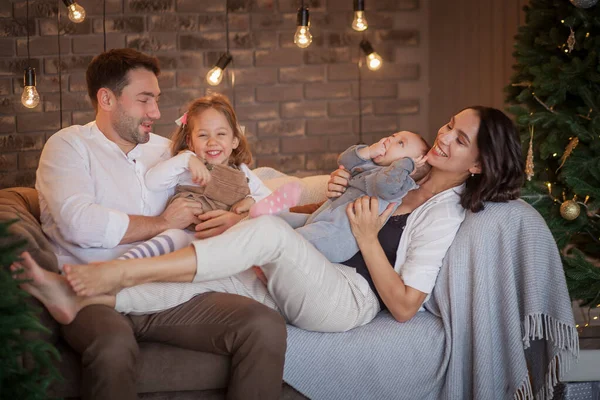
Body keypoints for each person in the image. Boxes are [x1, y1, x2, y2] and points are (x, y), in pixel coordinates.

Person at [19, 106, 523, 334]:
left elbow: (407, 307)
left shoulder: (444, 214)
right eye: (450, 125)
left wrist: (370, 239)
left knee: (265, 234)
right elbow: (327, 201)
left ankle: (117, 271)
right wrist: (320, 194)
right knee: (222, 275)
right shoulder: (404, 176)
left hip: (351, 297)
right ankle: (82, 297)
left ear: (477, 164)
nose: (445, 138)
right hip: (318, 273)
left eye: (460, 141)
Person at [31, 48, 286, 400]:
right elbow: (80, 225)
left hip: (168, 288)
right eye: (145, 100)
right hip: (92, 291)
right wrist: (162, 222)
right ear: (107, 98)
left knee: (264, 324)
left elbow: (238, 187)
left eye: (157, 100)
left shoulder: (168, 150)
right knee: (112, 348)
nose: (156, 112)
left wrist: (239, 213)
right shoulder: (69, 146)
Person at [114, 93, 274, 261]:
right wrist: (186, 159)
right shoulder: (185, 166)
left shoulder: (242, 172)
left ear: (234, 141)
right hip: (190, 235)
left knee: (258, 232)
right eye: (203, 135)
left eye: (221, 134)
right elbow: (152, 182)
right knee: (171, 238)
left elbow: (268, 196)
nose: (212, 142)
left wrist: (251, 200)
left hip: (226, 234)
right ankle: (127, 264)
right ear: (190, 142)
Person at [266, 130, 431, 263]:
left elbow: (383, 184)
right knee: (276, 220)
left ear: (409, 170)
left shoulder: (397, 185)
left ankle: (265, 260)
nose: (389, 139)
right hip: (322, 219)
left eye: (400, 143)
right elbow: (345, 160)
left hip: (336, 236)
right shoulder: (371, 166)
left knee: (291, 242)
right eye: (394, 136)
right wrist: (368, 151)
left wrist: (407, 164)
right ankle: (260, 232)